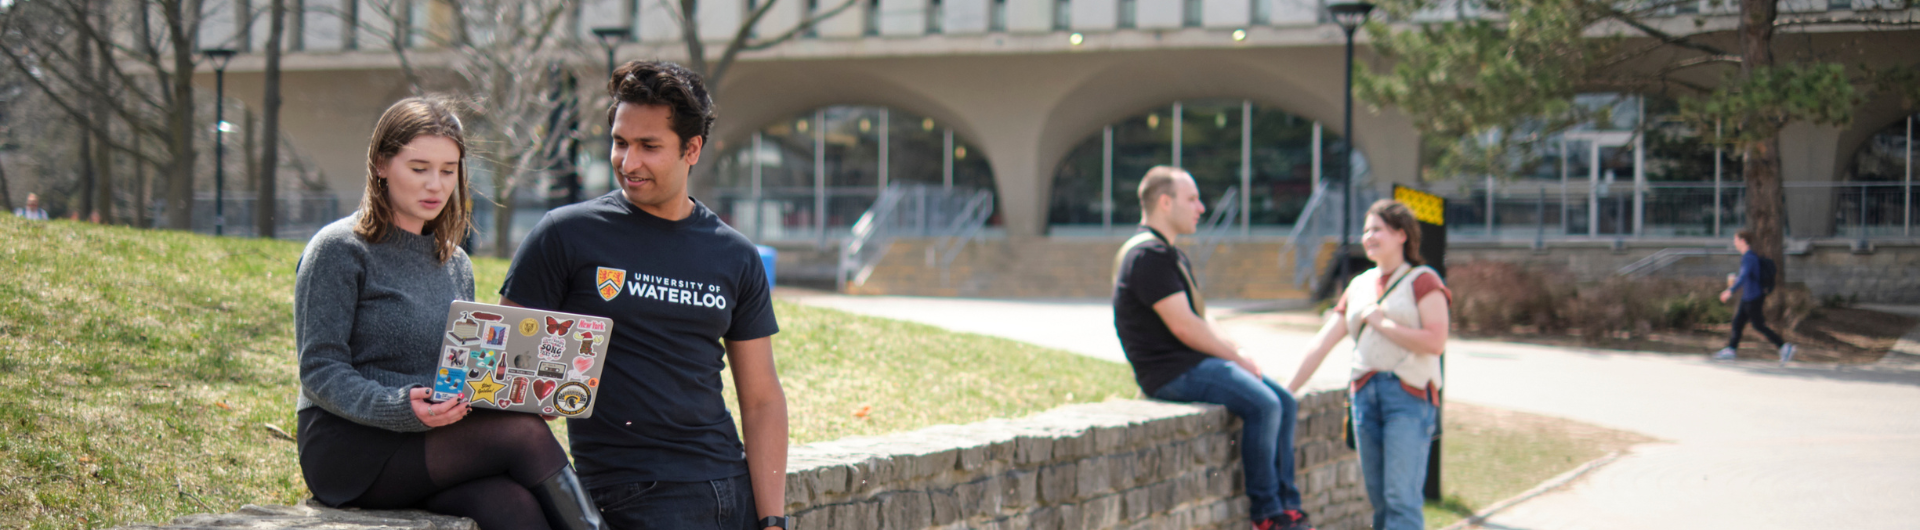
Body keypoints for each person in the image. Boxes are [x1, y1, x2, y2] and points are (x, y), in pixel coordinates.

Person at [497, 60, 788, 530]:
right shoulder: (566, 235)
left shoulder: (735, 254)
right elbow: (500, 372)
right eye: (619, 142)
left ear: (691, 149)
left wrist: (773, 517)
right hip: (630, 493)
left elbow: (762, 399)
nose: (628, 162)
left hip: (728, 489)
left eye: (649, 146)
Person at [293, 97, 602, 530]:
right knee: (524, 436)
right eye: (419, 169)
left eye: (448, 170)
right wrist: (398, 407)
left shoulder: (455, 262)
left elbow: (459, 374)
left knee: (513, 506)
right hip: (350, 446)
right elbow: (320, 371)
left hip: (431, 440)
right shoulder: (339, 250)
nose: (435, 185)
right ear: (381, 164)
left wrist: (519, 397)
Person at [1113, 166, 1315, 530]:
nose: (1201, 208)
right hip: (1169, 373)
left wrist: (1237, 350)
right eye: (1192, 199)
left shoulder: (1170, 254)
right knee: (1265, 405)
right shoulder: (1148, 256)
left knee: (1284, 400)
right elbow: (1184, 326)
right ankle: (1267, 516)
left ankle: (1289, 506)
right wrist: (1236, 357)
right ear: (1164, 202)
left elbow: (1200, 318)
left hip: (1193, 364)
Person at [1287, 200, 1451, 530]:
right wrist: (1287, 391)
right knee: (1378, 500)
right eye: (1365, 231)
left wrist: (1381, 323)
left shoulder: (1423, 280)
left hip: (1408, 397)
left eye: (1377, 229)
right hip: (1364, 397)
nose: (1368, 237)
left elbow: (1436, 341)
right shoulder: (1358, 285)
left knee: (1400, 500)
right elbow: (1322, 341)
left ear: (1402, 234)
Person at [1716, 230, 1796, 364]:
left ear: (1742, 241)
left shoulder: (1749, 257)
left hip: (1753, 297)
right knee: (1738, 322)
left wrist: (1730, 290)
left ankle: (1784, 347)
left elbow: (1744, 276)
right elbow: (1746, 276)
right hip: (1748, 296)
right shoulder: (1749, 257)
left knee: (1758, 325)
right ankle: (1731, 349)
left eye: (1735, 240)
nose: (1734, 243)